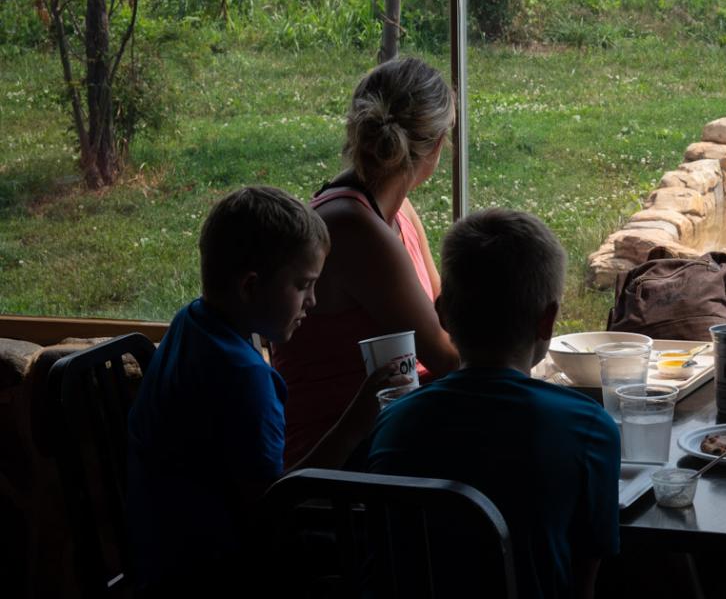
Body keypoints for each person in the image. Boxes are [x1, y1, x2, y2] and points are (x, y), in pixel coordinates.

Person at [127, 186, 399, 592]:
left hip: (163, 555)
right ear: (250, 287)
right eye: (304, 285)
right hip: (218, 572)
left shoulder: (191, 322)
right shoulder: (243, 378)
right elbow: (276, 511)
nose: (313, 301)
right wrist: (356, 422)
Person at [363, 208, 620, 599]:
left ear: (442, 314)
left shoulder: (395, 422)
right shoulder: (588, 427)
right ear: (547, 321)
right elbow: (585, 578)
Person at [273, 56, 462, 463]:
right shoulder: (353, 228)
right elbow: (448, 359)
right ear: (437, 146)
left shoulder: (396, 212)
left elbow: (442, 312)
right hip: (335, 459)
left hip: (389, 428)